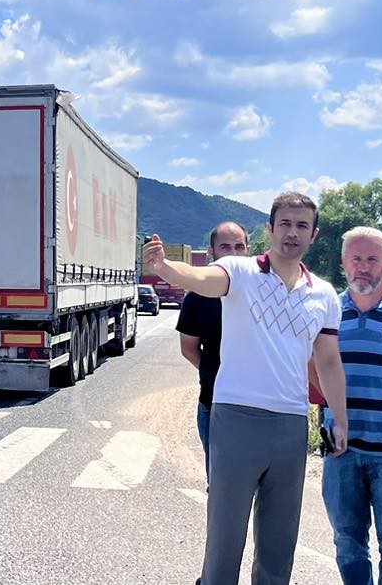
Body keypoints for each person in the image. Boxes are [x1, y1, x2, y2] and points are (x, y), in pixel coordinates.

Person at [144, 192, 347, 585]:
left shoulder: (323, 294)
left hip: (290, 423)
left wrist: (340, 417)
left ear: (314, 234)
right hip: (236, 417)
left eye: (301, 225)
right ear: (269, 229)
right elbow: (200, 278)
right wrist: (166, 268)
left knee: (279, 541)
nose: (292, 232)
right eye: (285, 223)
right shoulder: (239, 270)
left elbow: (329, 362)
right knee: (225, 537)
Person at [312, 227, 382, 585]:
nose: (363, 267)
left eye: (372, 259)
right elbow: (309, 369)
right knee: (347, 542)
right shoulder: (325, 314)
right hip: (341, 451)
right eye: (356, 259)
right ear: (343, 262)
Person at [177, 221, 249, 480]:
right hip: (214, 406)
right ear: (212, 252)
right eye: (225, 247)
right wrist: (218, 372)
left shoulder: (264, 291)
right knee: (220, 489)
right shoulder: (198, 295)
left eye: (239, 247)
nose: (233, 253)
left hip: (259, 410)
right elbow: (188, 348)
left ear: (248, 250)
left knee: (264, 494)